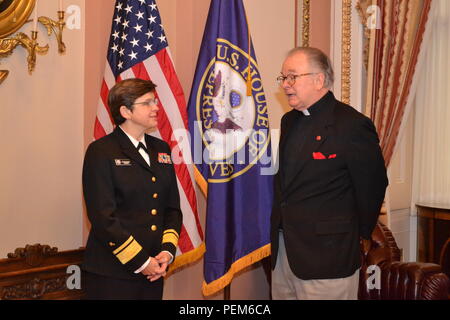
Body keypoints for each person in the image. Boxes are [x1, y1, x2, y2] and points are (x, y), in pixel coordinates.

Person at [271, 47, 388, 300]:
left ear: (319, 80)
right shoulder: (289, 121)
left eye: (292, 77)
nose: (286, 85)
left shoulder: (352, 125)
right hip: (285, 255)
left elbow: (373, 186)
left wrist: (360, 234)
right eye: (283, 78)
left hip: (328, 256)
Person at [81, 78, 182, 300]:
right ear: (125, 111)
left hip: (154, 271)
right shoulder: (101, 151)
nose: (156, 107)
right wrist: (141, 261)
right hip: (112, 273)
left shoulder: (161, 149)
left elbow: (172, 209)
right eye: (147, 103)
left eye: (154, 101)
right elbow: (103, 217)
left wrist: (166, 251)